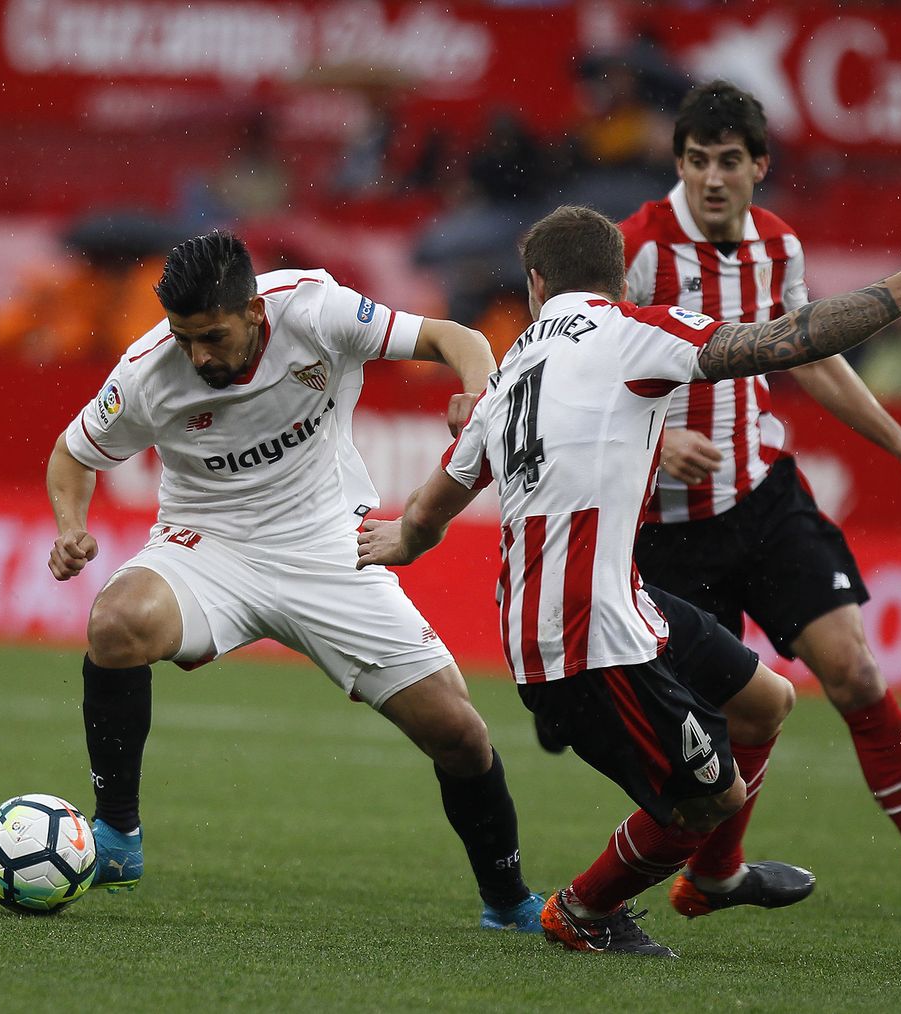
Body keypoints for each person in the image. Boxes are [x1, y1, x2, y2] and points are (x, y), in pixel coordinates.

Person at [358, 205, 901, 956]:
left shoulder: (509, 377)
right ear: (618, 276)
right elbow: (787, 341)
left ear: (537, 282)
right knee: (710, 800)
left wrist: (391, 540)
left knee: (766, 702)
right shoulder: (633, 331)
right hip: (585, 639)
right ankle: (582, 911)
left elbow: (427, 517)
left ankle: (716, 877)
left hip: (604, 607)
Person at [45, 231, 544, 932]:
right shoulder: (148, 370)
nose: (200, 357)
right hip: (209, 546)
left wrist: (476, 396)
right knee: (116, 622)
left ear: (253, 310)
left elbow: (458, 338)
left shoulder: (316, 310)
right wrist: (70, 525)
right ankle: (117, 835)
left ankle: (509, 901)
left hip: (330, 545)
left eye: (213, 337)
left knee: (459, 733)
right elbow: (72, 454)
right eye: (187, 339)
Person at [614, 80, 901, 927]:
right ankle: (711, 876)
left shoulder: (778, 247)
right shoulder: (641, 249)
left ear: (760, 166)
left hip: (765, 498)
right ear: (678, 164)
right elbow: (590, 370)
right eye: (697, 162)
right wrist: (654, 446)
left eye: (730, 162)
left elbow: (810, 356)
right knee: (731, 722)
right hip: (669, 531)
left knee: (856, 671)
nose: (712, 179)